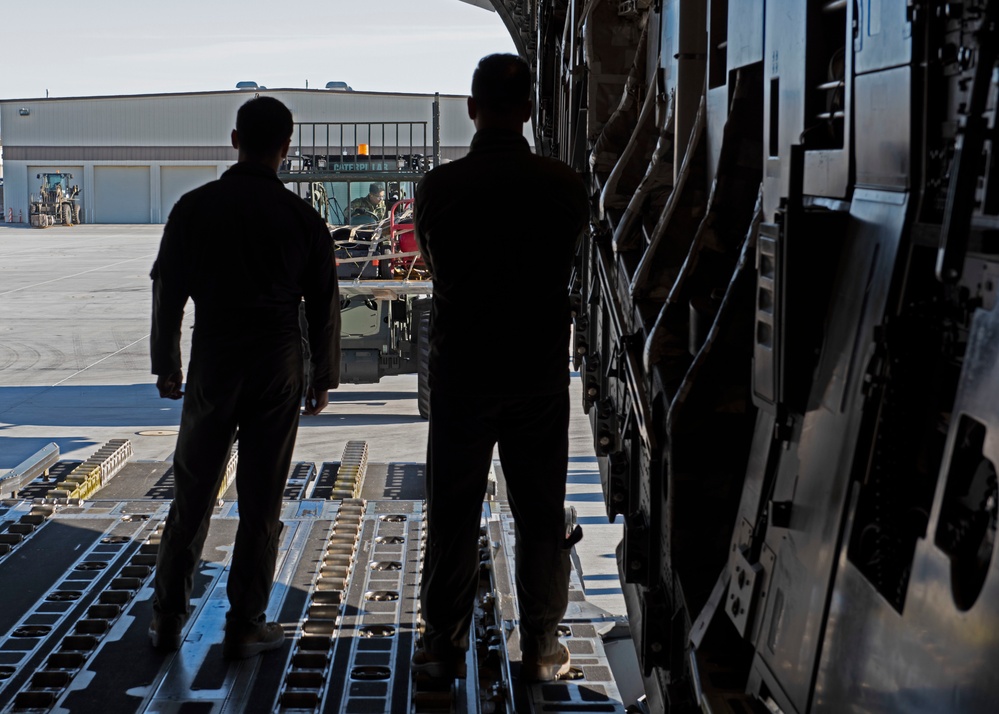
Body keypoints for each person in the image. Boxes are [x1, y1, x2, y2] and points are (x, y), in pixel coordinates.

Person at [412, 54, 589, 682]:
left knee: (453, 509)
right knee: (539, 510)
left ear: (471, 108)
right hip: (537, 371)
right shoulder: (566, 186)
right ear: (531, 111)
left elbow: (437, 267)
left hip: (463, 371)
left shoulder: (436, 188)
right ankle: (541, 647)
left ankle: (440, 645)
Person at [148, 96, 340, 660]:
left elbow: (168, 292)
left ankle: (166, 617)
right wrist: (322, 376)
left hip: (215, 357)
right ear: (286, 148)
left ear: (235, 140)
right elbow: (324, 304)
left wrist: (168, 364)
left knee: (194, 491)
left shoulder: (194, 208)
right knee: (261, 500)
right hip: (278, 363)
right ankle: (246, 622)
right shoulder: (301, 218)